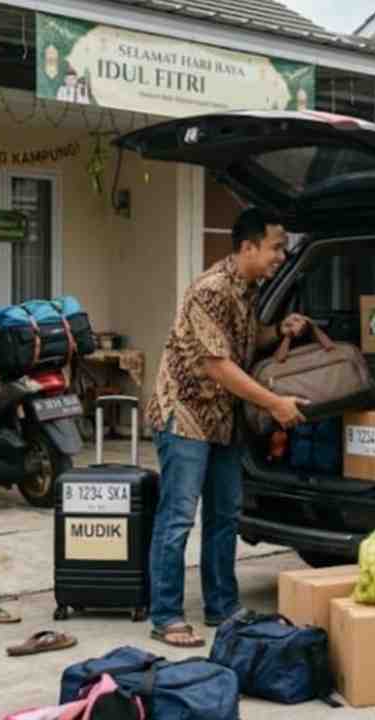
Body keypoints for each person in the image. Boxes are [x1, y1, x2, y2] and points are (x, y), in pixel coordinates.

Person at [145, 207, 311, 648]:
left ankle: (222, 607)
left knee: (225, 516)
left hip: (222, 420)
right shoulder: (210, 290)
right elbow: (218, 365)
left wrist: (279, 330)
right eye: (276, 248)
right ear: (247, 247)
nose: (282, 256)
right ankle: (165, 615)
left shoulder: (248, 289)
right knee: (178, 517)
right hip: (184, 414)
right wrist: (275, 403)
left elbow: (243, 339)